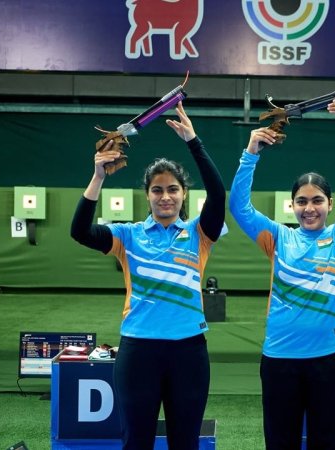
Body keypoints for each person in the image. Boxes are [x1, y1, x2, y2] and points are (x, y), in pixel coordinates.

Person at [70, 103, 225, 450]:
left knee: (185, 443)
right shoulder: (128, 235)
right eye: (157, 190)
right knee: (136, 442)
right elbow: (80, 231)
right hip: (138, 351)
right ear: (147, 195)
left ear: (183, 194)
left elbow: (218, 195)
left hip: (189, 352)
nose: (165, 196)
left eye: (173, 189)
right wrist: (98, 177)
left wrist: (194, 142)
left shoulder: (199, 233)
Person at [229, 97, 335, 450]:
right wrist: (251, 153)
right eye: (302, 201)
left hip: (331, 358)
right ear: (291, 205)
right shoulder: (278, 237)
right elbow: (239, 207)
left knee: (328, 443)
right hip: (280, 360)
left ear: (330, 204)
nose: (309, 208)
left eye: (317, 200)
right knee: (281, 444)